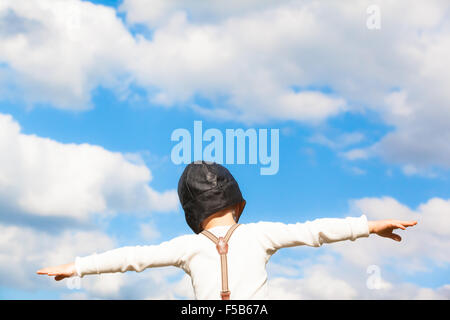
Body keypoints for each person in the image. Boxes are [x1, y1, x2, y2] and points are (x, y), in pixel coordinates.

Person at [37, 161, 417, 299]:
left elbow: (132, 258)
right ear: (238, 204)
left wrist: (78, 266)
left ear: (192, 212)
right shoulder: (261, 234)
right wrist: (367, 226)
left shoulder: (186, 247)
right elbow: (314, 231)